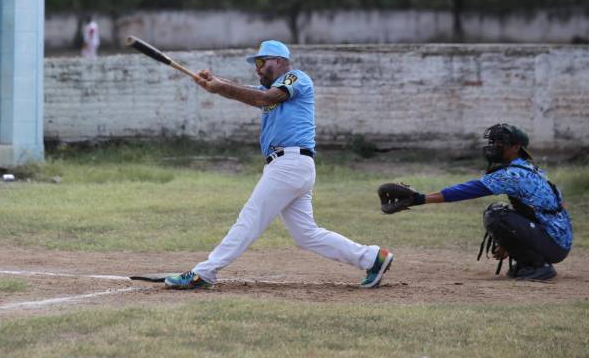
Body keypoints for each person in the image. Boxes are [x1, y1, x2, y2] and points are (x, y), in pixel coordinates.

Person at [164, 40, 394, 290]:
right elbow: (249, 92)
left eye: (261, 62)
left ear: (280, 61)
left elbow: (264, 98)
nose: (257, 68)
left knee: (249, 219)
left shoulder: (296, 78)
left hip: (290, 164)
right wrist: (216, 84)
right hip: (290, 165)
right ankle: (373, 258)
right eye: (256, 64)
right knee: (306, 234)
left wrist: (220, 86)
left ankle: (204, 273)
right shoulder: (271, 89)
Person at [377, 123, 573, 281]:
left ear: (516, 147)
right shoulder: (531, 169)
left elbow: (468, 190)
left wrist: (420, 199)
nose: (494, 145)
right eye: (493, 141)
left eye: (501, 142)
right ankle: (531, 263)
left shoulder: (514, 174)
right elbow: (558, 204)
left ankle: (540, 266)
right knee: (502, 213)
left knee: (496, 214)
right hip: (558, 240)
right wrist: (515, 240)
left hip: (553, 244)